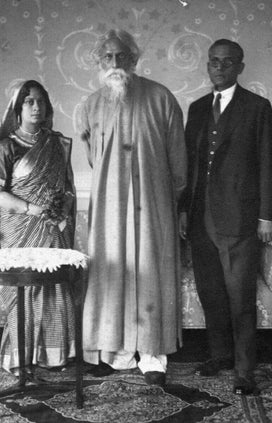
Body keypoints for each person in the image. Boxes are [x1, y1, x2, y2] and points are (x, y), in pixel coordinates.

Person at [77, 29, 187, 386]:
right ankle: (116, 352)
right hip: (109, 208)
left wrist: (166, 202)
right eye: (107, 57)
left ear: (134, 59)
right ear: (98, 62)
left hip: (154, 206)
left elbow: (178, 164)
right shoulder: (90, 105)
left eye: (122, 56)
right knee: (112, 271)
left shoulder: (161, 98)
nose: (115, 64)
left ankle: (153, 355)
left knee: (150, 271)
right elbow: (95, 159)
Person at [179, 39, 272, 395]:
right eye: (214, 62)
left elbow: (271, 163)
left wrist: (268, 215)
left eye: (227, 62)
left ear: (240, 67)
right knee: (211, 293)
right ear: (207, 66)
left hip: (239, 220)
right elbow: (187, 166)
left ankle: (244, 370)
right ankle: (220, 355)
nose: (219, 68)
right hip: (199, 218)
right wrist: (182, 210)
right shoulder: (195, 109)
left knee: (240, 297)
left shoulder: (257, 108)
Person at [0, 79, 77, 374]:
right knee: (23, 289)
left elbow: (67, 188)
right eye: (29, 102)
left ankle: (52, 357)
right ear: (18, 108)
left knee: (53, 287)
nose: (36, 108)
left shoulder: (57, 144)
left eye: (41, 102)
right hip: (19, 228)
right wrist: (31, 208)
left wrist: (58, 206)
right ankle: (21, 358)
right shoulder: (7, 146)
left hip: (51, 226)